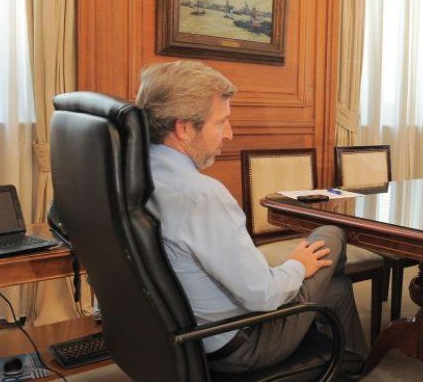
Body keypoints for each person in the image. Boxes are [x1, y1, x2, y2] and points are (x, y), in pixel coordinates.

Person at [135, 60, 368, 376]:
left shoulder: (136, 174)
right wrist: (298, 266)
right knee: (330, 233)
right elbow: (264, 295)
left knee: (337, 287)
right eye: (221, 122)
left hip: (180, 337)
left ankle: (349, 363)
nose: (228, 134)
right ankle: (332, 345)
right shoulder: (200, 194)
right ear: (184, 128)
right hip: (243, 343)